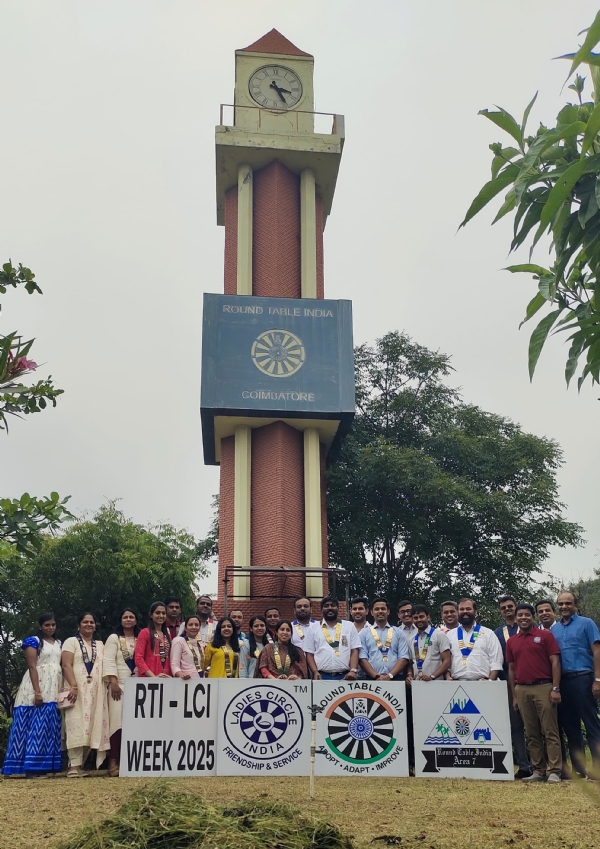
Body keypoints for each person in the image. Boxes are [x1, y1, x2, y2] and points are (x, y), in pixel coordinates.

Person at [507, 603, 562, 784]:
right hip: (522, 689)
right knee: (531, 733)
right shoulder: (512, 641)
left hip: (543, 687)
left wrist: (555, 688)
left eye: (527, 615)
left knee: (550, 731)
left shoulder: (545, 635)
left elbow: (555, 662)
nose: (523, 618)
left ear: (533, 617)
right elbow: (511, 669)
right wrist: (515, 695)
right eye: (520, 615)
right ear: (515, 619)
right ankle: (538, 769)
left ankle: (555, 770)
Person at [2, 613, 62, 777]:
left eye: (53, 625)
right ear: (40, 626)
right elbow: (32, 666)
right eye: (47, 625)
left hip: (54, 687)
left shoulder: (59, 643)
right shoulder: (34, 641)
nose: (50, 628)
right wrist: (37, 691)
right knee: (33, 726)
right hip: (36, 685)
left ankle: (44, 765)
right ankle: (30, 767)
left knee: (47, 726)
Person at [552, 591, 600, 780]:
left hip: (583, 678)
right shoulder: (554, 630)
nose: (564, 607)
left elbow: (597, 652)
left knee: (591, 725)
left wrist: (598, 680)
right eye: (561, 604)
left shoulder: (586, 623)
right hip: (564, 682)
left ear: (575, 605)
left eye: (568, 603)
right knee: (570, 727)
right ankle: (579, 769)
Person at [61, 612, 110, 777]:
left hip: (96, 690)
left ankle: (80, 765)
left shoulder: (100, 644)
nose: (89, 624)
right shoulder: (71, 641)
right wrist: (73, 686)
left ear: (95, 626)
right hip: (76, 689)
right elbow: (66, 665)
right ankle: (72, 765)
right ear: (78, 625)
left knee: (92, 726)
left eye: (92, 622)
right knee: (75, 723)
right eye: (85, 622)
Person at [494, 595, 532, 779]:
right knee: (515, 726)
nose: (507, 609)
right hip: (508, 684)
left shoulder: (528, 627)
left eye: (510, 606)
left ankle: (540, 764)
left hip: (531, 680)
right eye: (504, 608)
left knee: (535, 725)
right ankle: (523, 765)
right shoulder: (497, 633)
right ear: (500, 612)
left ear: (516, 608)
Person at [102, 608, 139, 777]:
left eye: (132, 617)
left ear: (136, 620)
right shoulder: (114, 638)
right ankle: (113, 760)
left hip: (138, 686)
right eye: (125, 617)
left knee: (134, 724)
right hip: (119, 685)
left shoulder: (141, 638)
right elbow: (108, 660)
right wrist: (113, 682)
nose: (129, 620)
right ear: (121, 620)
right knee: (117, 723)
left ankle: (129, 760)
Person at [304, 596, 361, 680]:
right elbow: (309, 653)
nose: (330, 608)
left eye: (333, 605)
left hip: (345, 676)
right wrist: (314, 671)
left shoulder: (349, 626)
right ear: (321, 609)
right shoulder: (313, 628)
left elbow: (354, 650)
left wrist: (353, 671)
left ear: (338, 608)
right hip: (321, 676)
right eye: (326, 606)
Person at [447, 598, 503, 681]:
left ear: (475, 612)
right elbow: (445, 660)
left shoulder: (488, 633)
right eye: (462, 609)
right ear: (458, 612)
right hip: (455, 684)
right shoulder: (450, 635)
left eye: (468, 609)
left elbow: (496, 660)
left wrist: (490, 681)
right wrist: (448, 677)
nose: (465, 611)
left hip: (483, 683)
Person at [359, 598, 411, 681]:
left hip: (395, 679)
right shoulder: (364, 633)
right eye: (377, 609)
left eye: (383, 609)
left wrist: (389, 676)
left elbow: (404, 657)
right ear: (372, 612)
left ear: (388, 611)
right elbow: (362, 658)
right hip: (372, 679)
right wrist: (376, 676)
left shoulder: (398, 632)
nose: (380, 611)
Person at [411, 604, 451, 681]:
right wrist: (409, 675)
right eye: (415, 618)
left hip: (435, 682)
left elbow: (447, 661)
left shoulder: (439, 635)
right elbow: (410, 662)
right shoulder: (411, 639)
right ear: (412, 620)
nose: (419, 620)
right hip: (417, 683)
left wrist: (432, 676)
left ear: (428, 617)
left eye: (421, 617)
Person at [135, 602, 172, 678]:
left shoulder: (168, 635)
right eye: (157, 613)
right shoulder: (145, 632)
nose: (161, 616)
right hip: (149, 679)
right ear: (151, 615)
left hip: (166, 678)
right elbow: (138, 658)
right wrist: (154, 677)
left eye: (163, 613)